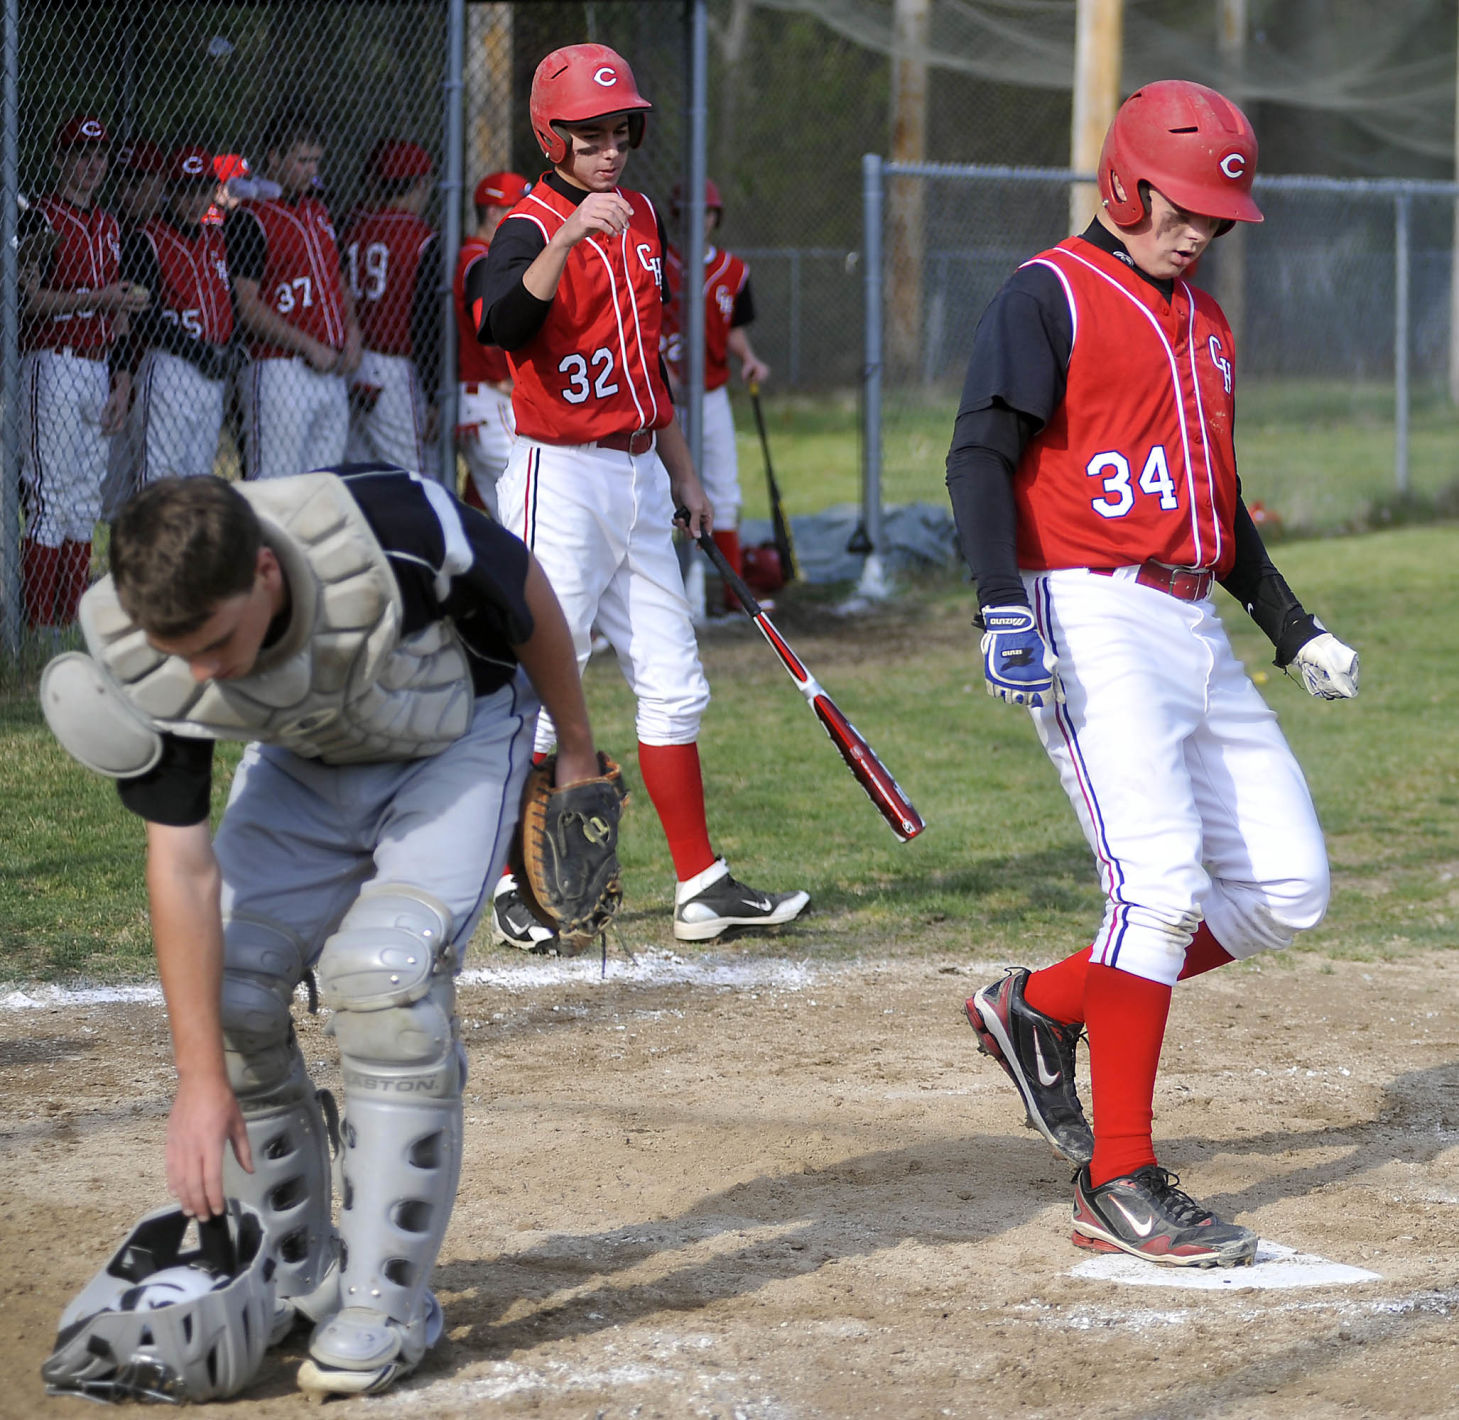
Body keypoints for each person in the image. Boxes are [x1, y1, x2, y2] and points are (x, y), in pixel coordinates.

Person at [40, 464, 605, 1398]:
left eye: (218, 641)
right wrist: (198, 1083)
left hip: (455, 734)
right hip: (308, 760)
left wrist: (575, 745)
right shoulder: (166, 644)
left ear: (266, 572)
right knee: (226, 989)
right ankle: (297, 1275)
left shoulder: (382, 528)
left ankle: (388, 1302)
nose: (205, 673)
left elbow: (525, 592)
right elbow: (180, 864)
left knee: (384, 981)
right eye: (179, 652)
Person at [948, 80, 1360, 1268]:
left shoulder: (1204, 323)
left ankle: (1041, 1005)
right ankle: (1115, 1177)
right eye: (1181, 206)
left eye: (1215, 216)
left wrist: (1290, 625)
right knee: (1161, 883)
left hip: (1188, 621)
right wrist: (996, 602)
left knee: (1286, 885)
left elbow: (1217, 509)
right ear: (1124, 184)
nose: (1199, 229)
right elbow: (981, 450)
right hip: (1084, 610)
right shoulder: (1048, 294)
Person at [470, 42, 809, 947]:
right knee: (546, 679)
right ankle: (508, 883)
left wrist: (685, 475)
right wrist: (571, 234)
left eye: (620, 131)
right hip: (558, 475)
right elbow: (496, 320)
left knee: (673, 680)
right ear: (553, 136)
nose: (608, 149)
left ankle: (699, 883)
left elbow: (644, 360)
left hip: (636, 471)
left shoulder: (649, 217)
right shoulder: (531, 222)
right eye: (588, 135)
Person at [21, 114, 147, 626]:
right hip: (53, 362)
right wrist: (98, 297)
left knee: (82, 502)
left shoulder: (110, 224)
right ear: (59, 159)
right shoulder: (40, 218)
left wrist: (121, 381)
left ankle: (67, 624)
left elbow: (117, 313)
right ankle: (33, 630)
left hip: (97, 368)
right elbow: (27, 301)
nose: (92, 163)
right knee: (51, 499)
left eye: (98, 154)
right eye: (79, 152)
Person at [225, 107, 361, 480]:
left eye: (315, 160)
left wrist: (352, 333)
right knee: (275, 490)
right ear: (275, 157)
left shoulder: (318, 209)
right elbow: (247, 307)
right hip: (279, 369)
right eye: (302, 160)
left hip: (330, 368)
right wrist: (308, 345)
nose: (311, 169)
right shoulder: (250, 217)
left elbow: (338, 281)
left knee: (323, 492)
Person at [663, 178, 771, 615]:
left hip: (710, 395)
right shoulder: (656, 263)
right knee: (659, 493)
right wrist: (657, 368)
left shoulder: (732, 269)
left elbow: (733, 329)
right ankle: (668, 595)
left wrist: (748, 357)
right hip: (664, 397)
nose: (701, 221)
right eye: (692, 213)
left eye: (707, 213)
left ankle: (733, 594)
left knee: (724, 490)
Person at [111, 145, 235, 501]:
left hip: (209, 373)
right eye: (185, 189)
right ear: (170, 189)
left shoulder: (217, 237)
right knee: (160, 490)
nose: (195, 199)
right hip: (170, 367)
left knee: (199, 493)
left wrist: (232, 346)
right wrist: (197, 352)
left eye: (202, 189)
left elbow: (231, 305)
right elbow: (142, 317)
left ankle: (189, 558)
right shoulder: (146, 239)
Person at [341, 139, 441, 473]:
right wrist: (435, 394)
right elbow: (427, 323)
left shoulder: (348, 225)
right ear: (421, 183)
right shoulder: (422, 238)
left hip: (347, 360)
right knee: (412, 475)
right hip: (395, 370)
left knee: (358, 473)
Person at [452, 170, 528, 516]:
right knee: (524, 501)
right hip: (487, 394)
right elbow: (490, 330)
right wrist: (503, 374)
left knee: (489, 500)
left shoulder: (480, 254)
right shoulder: (481, 260)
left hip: (482, 397)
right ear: (494, 213)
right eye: (518, 207)